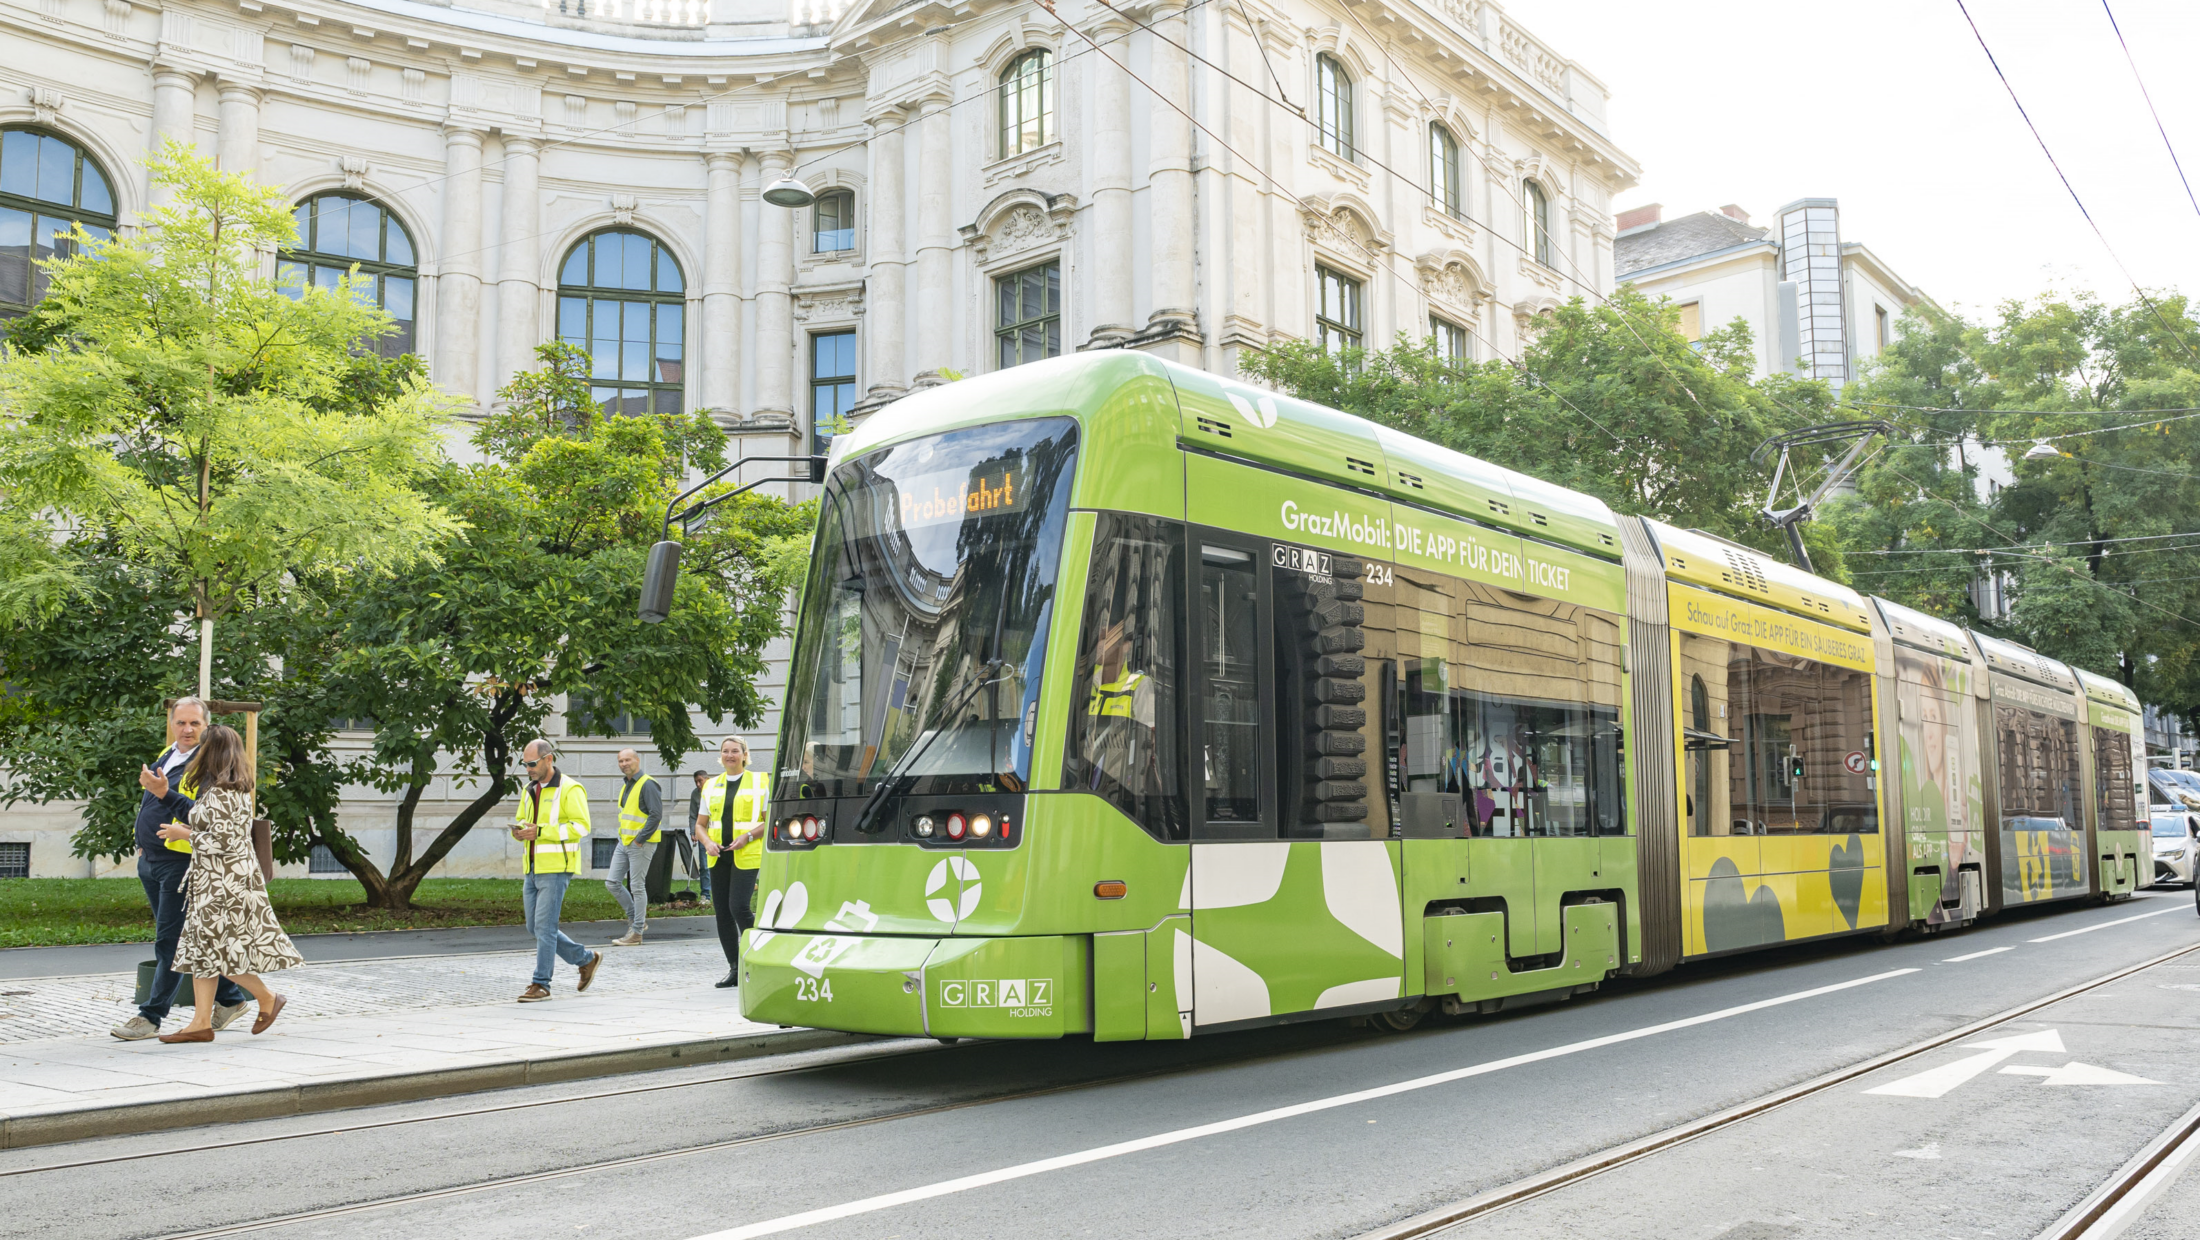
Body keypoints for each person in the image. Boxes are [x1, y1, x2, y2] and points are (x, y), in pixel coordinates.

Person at [111, 698, 253, 1041]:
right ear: (171, 723)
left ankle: (151, 1016)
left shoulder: (208, 763)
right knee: (184, 941)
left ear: (206, 726)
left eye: (195, 724)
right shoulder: (167, 754)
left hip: (181, 861)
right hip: (152, 860)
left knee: (171, 943)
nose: (187, 730)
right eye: (181, 723)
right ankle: (232, 999)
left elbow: (207, 817)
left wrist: (176, 822)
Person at [154, 724, 301, 1043]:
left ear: (211, 751)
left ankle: (266, 997)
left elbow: (226, 841)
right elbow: (201, 816)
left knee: (212, 950)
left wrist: (185, 835)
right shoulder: (220, 787)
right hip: (213, 882)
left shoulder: (226, 791)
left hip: (225, 885)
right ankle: (201, 1023)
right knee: (202, 951)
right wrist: (165, 795)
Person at [512, 739, 603, 1002]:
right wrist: (520, 831)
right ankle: (586, 959)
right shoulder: (529, 789)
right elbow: (522, 818)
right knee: (535, 927)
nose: (528, 769)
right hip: (531, 867)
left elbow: (582, 827)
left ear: (548, 759)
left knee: (545, 927)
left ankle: (541, 984)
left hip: (556, 868)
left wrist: (540, 832)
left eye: (532, 763)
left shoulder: (570, 788)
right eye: (524, 764)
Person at [696, 738, 770, 989]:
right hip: (718, 856)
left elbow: (769, 820)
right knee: (723, 914)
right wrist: (707, 843)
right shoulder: (711, 785)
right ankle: (735, 968)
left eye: (735, 751)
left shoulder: (760, 782)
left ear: (744, 755)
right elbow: (700, 825)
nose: (730, 755)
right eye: (725, 751)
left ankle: (759, 959)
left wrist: (747, 836)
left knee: (738, 907)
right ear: (721, 756)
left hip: (746, 854)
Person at [605, 748, 661, 946]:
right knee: (612, 882)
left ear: (638, 760)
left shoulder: (648, 784)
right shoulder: (626, 785)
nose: (624, 764)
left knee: (637, 886)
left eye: (628, 760)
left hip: (641, 843)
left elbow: (656, 815)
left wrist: (639, 839)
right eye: (620, 761)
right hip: (625, 841)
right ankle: (638, 920)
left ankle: (636, 932)